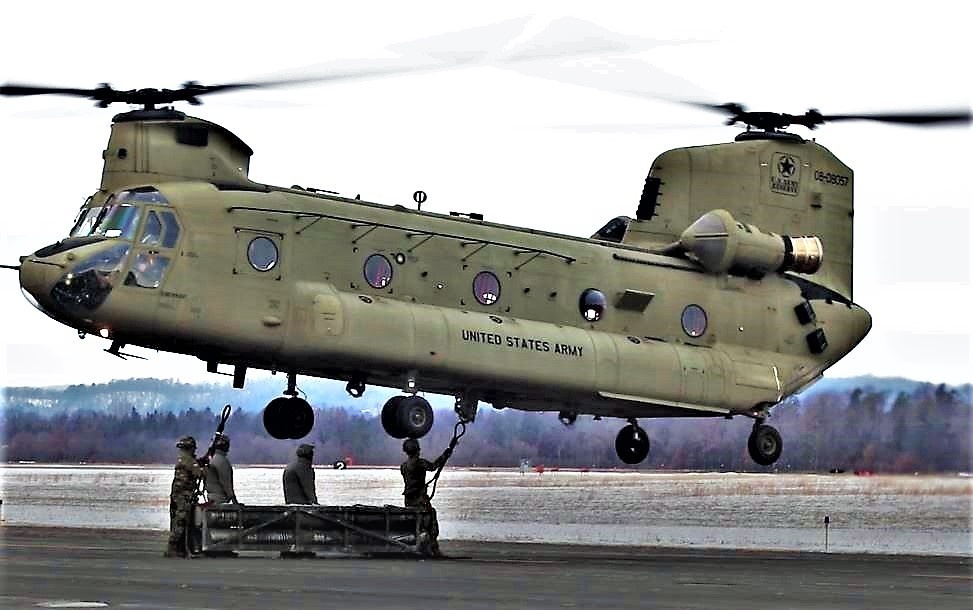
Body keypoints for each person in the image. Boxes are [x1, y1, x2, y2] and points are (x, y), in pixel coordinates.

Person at [400, 438, 451, 557]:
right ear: (417, 450)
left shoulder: (403, 466)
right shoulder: (420, 463)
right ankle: (434, 549)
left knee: (417, 523)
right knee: (431, 521)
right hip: (420, 499)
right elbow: (433, 466)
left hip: (408, 500)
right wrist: (445, 455)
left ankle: (421, 546)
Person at [165, 436, 206, 558]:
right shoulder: (188, 460)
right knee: (181, 520)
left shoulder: (183, 459)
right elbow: (200, 473)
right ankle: (173, 548)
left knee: (177, 520)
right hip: (183, 495)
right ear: (190, 449)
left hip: (177, 495)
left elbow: (193, 466)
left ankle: (179, 548)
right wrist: (206, 467)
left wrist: (201, 461)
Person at [204, 434, 237, 504]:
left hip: (211, 498)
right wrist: (234, 501)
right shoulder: (222, 461)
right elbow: (226, 483)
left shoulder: (212, 460)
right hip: (220, 499)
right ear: (224, 445)